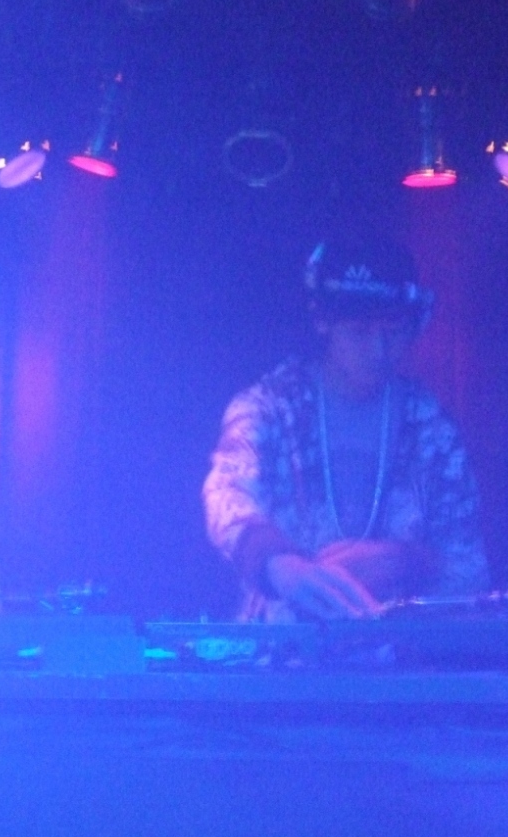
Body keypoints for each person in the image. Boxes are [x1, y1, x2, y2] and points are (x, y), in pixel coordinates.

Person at [203, 234, 490, 622]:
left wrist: (409, 563)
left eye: (393, 330)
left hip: (401, 654)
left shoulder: (430, 430)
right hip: (282, 651)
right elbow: (226, 495)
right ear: (323, 322)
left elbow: (471, 573)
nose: (379, 350)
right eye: (360, 331)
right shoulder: (270, 408)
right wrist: (279, 565)